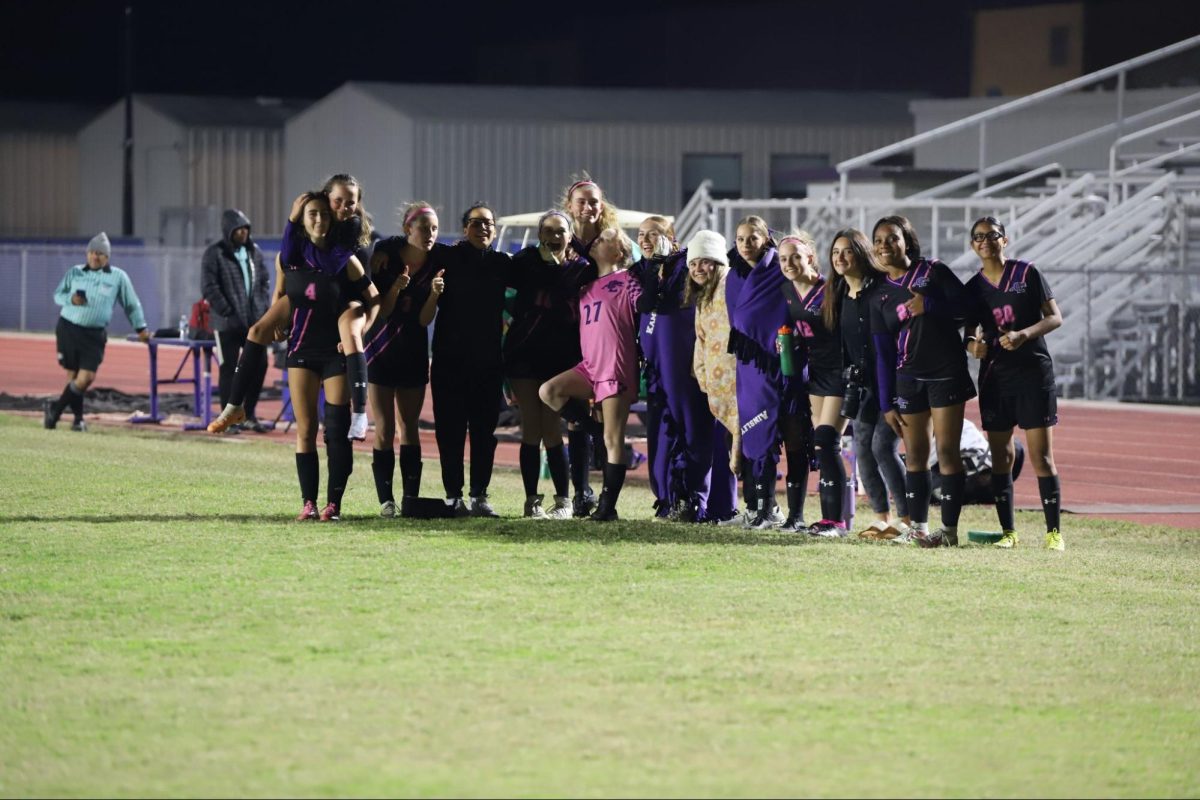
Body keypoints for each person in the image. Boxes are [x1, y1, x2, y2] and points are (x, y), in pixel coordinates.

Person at [207, 175, 376, 439]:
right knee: (258, 330)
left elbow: (332, 268)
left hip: (344, 300)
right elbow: (285, 266)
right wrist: (292, 220)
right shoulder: (311, 227)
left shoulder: (350, 228)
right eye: (338, 201)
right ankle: (234, 405)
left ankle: (360, 413)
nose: (344, 207)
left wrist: (366, 326)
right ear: (326, 199)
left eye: (350, 202)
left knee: (351, 341)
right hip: (309, 297)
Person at [871, 215, 974, 547]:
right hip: (907, 379)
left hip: (946, 373)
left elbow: (966, 309)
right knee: (914, 455)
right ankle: (917, 528)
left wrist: (928, 304)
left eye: (892, 238)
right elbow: (882, 352)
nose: (885, 245)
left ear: (907, 241)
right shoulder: (879, 295)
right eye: (879, 241)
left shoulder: (933, 271)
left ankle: (949, 532)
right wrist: (886, 403)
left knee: (946, 452)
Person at [964, 216, 1065, 550]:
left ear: (1004, 240)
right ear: (972, 245)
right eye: (978, 237)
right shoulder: (973, 288)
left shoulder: (1027, 273)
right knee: (1001, 456)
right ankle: (1009, 533)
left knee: (1041, 457)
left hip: (1033, 375)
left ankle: (1053, 534)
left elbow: (1054, 317)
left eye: (991, 235)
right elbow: (966, 332)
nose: (984, 241)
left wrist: (1024, 334)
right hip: (995, 378)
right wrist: (972, 346)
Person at [282, 192, 378, 521]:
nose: (320, 219)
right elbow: (281, 292)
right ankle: (308, 503)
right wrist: (278, 320)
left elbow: (372, 298)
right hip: (301, 349)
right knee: (305, 430)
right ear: (302, 217)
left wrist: (360, 329)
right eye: (312, 214)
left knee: (336, 431)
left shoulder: (344, 253)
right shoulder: (293, 253)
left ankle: (333, 504)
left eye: (325, 213)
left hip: (335, 352)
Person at [539, 227, 642, 522]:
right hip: (590, 365)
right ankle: (593, 431)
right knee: (549, 391)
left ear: (619, 252)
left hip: (615, 365)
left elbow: (646, 308)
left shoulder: (627, 281)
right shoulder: (586, 287)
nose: (596, 242)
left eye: (605, 239)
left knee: (613, 438)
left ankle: (608, 506)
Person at [632, 216, 724, 522]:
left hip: (686, 367)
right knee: (661, 436)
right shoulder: (646, 270)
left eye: (654, 234)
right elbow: (645, 305)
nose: (645, 239)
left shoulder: (687, 265)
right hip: (658, 371)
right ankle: (669, 498)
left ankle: (696, 500)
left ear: (672, 238)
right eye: (641, 235)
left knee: (694, 432)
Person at [505, 210, 596, 519]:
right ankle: (532, 501)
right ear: (539, 233)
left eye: (561, 231)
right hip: (524, 352)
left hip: (562, 356)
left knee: (553, 429)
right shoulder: (524, 261)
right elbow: (503, 289)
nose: (555, 237)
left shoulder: (581, 268)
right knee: (532, 426)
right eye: (549, 231)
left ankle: (563, 501)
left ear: (570, 236)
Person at [828, 229, 913, 540]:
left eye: (847, 251)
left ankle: (907, 519)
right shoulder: (837, 294)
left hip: (890, 381)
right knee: (862, 451)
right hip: (861, 385)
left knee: (882, 446)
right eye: (836, 252)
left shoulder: (880, 290)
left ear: (861, 254)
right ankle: (881, 518)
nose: (840, 258)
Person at [428, 203, 512, 517]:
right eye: (477, 223)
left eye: (489, 223)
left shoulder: (504, 263)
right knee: (448, 431)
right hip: (449, 362)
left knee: (483, 433)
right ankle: (453, 496)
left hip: (488, 363)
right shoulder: (446, 257)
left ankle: (479, 495)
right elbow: (411, 249)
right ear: (465, 229)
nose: (484, 228)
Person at [364, 203, 445, 518]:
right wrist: (396, 289)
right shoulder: (387, 258)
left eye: (434, 228)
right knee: (383, 429)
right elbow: (383, 312)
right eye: (424, 227)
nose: (430, 234)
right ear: (407, 229)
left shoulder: (437, 262)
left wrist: (435, 295)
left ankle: (410, 498)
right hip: (381, 349)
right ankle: (387, 502)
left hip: (413, 350)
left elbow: (425, 320)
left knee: (409, 427)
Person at [558, 175, 622, 515]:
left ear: (602, 205)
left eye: (594, 201)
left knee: (601, 409)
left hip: (604, 337)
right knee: (575, 413)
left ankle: (605, 499)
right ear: (570, 206)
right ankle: (581, 492)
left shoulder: (612, 243)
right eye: (581, 201)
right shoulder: (561, 242)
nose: (588, 207)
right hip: (568, 335)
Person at [44, 232, 151, 431]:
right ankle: (78, 421)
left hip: (94, 335)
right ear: (87, 254)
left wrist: (141, 328)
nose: (95, 256)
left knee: (86, 378)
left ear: (107, 257)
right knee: (73, 376)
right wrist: (71, 300)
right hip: (69, 328)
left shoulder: (118, 277)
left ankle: (55, 410)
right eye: (92, 252)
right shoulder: (75, 272)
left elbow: (131, 305)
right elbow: (58, 294)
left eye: (100, 254)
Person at [780, 230, 847, 537]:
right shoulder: (787, 290)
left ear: (809, 257)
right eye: (783, 258)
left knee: (826, 441)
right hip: (816, 373)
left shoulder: (832, 289)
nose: (789, 263)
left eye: (795, 256)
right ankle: (828, 519)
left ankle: (838, 521)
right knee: (822, 447)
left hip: (840, 372)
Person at [725, 215, 788, 529]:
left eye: (752, 238)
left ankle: (768, 509)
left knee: (766, 431)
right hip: (746, 363)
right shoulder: (734, 275)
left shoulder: (779, 270)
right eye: (740, 239)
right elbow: (735, 318)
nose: (746, 245)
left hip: (771, 363)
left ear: (766, 239)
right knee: (748, 432)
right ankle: (754, 508)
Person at [683, 230, 740, 524]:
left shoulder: (732, 283)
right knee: (724, 448)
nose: (698, 270)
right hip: (718, 388)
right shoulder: (702, 297)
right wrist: (703, 377)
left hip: (740, 382)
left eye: (704, 262)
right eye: (693, 265)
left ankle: (758, 507)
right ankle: (723, 509)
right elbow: (700, 339)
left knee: (742, 447)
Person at [201, 208, 272, 433]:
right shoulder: (215, 253)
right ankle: (228, 418)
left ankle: (248, 414)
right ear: (228, 231)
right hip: (227, 324)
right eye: (238, 229)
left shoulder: (255, 252)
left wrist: (261, 310)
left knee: (259, 365)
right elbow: (209, 287)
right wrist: (228, 311)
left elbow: (264, 282)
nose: (242, 233)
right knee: (229, 369)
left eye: (245, 228)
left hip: (253, 324)